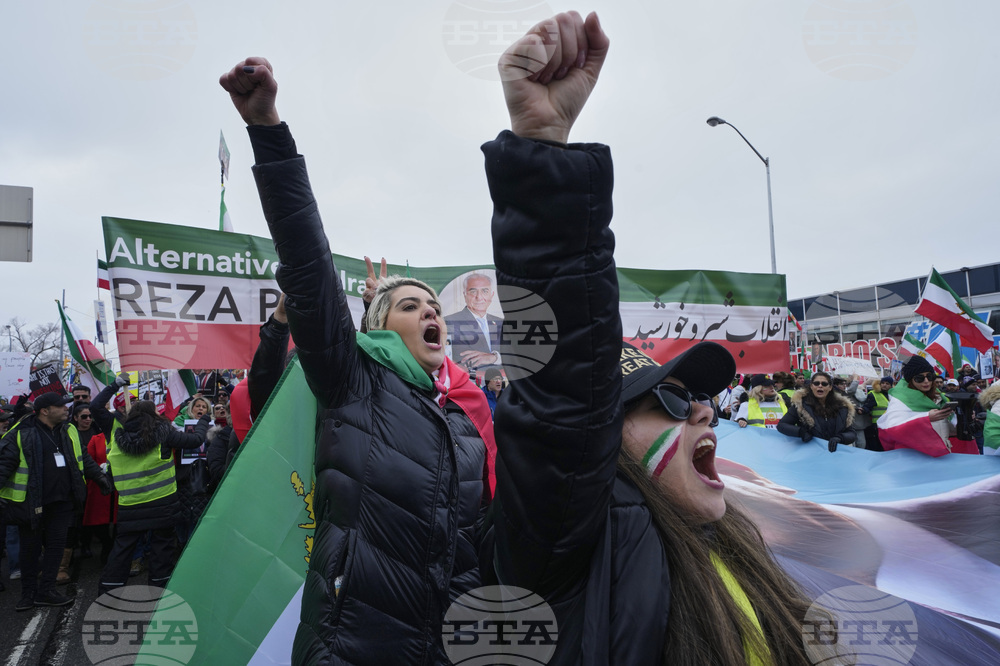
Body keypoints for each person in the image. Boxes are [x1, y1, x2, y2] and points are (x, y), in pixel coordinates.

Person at [484, 13, 813, 664]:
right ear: (603, 443)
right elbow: (562, 398)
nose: (699, 407)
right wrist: (544, 151)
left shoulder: (738, 541)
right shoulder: (572, 557)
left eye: (694, 394)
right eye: (663, 401)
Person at [220, 54, 496, 664]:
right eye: (410, 304)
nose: (430, 312)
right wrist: (269, 132)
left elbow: (478, 547)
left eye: (433, 304)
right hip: (353, 647)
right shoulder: (353, 383)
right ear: (376, 324)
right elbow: (309, 267)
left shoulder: (463, 427)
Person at [0, 392, 111, 610]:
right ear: (44, 411)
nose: (66, 409)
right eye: (61, 406)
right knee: (30, 550)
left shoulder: (69, 429)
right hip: (31, 504)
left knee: (56, 548)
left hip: (63, 502)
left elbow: (82, 458)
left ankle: (47, 590)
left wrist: (98, 477)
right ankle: (28, 594)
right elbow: (3, 466)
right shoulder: (21, 433)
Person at [94, 400, 210, 596]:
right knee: (162, 547)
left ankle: (109, 591)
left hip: (130, 504)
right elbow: (196, 440)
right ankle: (158, 589)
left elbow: (96, 406)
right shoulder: (164, 433)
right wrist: (204, 420)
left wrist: (115, 385)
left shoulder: (116, 435)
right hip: (162, 502)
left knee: (122, 551)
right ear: (153, 414)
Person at [877, 356, 968, 457]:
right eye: (920, 378)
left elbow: (949, 429)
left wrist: (962, 417)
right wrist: (926, 418)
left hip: (938, 455)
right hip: (912, 458)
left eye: (930, 376)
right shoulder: (900, 400)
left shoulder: (939, 397)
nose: (926, 381)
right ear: (910, 380)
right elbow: (890, 429)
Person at [777, 371, 857, 452]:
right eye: (816, 383)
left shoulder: (842, 407)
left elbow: (852, 433)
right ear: (811, 386)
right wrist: (801, 432)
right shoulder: (801, 405)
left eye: (824, 384)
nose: (820, 386)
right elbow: (782, 425)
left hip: (836, 453)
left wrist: (840, 438)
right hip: (811, 453)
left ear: (830, 387)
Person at [444, 272, 505, 372]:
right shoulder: (449, 322)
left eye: (485, 291)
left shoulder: (501, 323)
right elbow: (464, 362)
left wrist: (494, 357)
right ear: (465, 295)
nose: (479, 297)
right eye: (473, 291)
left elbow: (515, 356)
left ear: (491, 295)